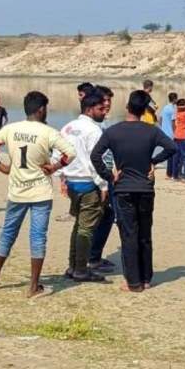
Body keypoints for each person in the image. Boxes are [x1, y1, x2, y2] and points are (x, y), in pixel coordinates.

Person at [0, 91, 77, 299]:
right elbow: (70, 153)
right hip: (40, 192)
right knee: (37, 237)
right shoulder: (48, 132)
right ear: (41, 109)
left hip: (17, 191)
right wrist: (54, 167)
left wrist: (1, 166)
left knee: (8, 233)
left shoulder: (11, 129)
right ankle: (33, 286)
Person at [92, 90, 177, 292]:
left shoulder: (113, 131)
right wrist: (153, 161)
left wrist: (109, 175)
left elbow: (95, 155)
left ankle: (134, 282)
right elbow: (172, 147)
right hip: (145, 188)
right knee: (145, 233)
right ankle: (146, 278)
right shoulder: (151, 131)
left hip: (123, 189)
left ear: (127, 107)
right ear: (144, 110)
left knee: (129, 234)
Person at [56, 91, 110, 283]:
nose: (104, 112)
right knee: (86, 228)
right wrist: (103, 185)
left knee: (79, 225)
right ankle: (80, 269)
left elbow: (58, 154)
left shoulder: (68, 127)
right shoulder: (93, 131)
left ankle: (73, 265)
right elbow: (96, 160)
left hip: (72, 182)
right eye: (100, 109)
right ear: (89, 109)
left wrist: (61, 176)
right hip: (88, 183)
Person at [87, 85, 119, 272]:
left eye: (109, 100)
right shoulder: (94, 126)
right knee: (100, 217)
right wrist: (103, 183)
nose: (107, 104)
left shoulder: (103, 124)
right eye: (103, 101)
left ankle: (94, 255)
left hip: (106, 176)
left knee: (106, 216)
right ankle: (91, 257)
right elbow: (92, 156)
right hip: (99, 178)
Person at [160, 92, 179, 179]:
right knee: (173, 154)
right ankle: (171, 174)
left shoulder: (165, 107)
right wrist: (175, 132)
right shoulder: (172, 109)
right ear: (174, 99)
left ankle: (168, 173)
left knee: (168, 153)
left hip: (164, 133)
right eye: (176, 98)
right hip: (171, 134)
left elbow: (160, 118)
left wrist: (162, 127)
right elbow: (173, 122)